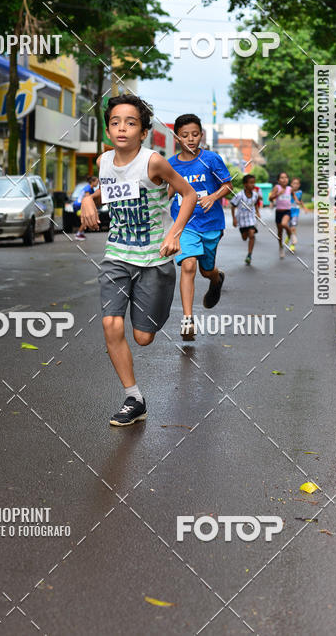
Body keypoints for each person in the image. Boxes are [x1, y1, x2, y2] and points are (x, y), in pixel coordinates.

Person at [80, 94, 197, 427]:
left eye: (131, 123)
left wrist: (174, 233)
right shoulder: (104, 162)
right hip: (117, 254)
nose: (122, 128)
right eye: (115, 122)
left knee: (143, 338)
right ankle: (134, 398)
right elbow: (114, 189)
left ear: (143, 132)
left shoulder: (154, 162)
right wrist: (89, 198)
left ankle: (154, 312)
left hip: (154, 259)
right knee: (110, 323)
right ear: (107, 129)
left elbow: (188, 195)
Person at [167, 113, 232, 341]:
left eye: (195, 134)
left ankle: (216, 279)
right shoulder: (171, 164)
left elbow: (228, 185)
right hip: (184, 225)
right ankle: (187, 320)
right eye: (185, 135)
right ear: (177, 137)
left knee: (206, 270)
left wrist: (214, 197)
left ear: (201, 135)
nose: (191, 139)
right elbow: (168, 192)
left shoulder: (211, 159)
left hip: (211, 224)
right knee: (188, 265)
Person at [231, 173, 262, 265]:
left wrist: (257, 212)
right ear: (245, 184)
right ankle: (245, 234)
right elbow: (233, 206)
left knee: (252, 234)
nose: (253, 185)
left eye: (254, 183)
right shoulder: (239, 195)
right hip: (242, 220)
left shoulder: (255, 195)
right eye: (251, 183)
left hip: (251, 218)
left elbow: (255, 203)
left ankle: (249, 255)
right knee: (245, 238)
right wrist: (234, 219)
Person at [269, 172, 293, 258]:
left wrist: (297, 201)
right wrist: (278, 194)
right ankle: (281, 247)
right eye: (282, 178)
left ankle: (290, 234)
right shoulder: (277, 187)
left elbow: (294, 196)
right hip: (279, 211)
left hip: (287, 211)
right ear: (278, 180)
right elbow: (270, 198)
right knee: (280, 232)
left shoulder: (290, 188)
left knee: (284, 224)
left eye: (286, 177)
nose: (284, 179)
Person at [288, 176, 306, 250]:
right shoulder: (288, 191)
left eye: (297, 184)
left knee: (293, 227)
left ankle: (293, 244)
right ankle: (289, 236)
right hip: (288, 212)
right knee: (289, 228)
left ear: (299, 185)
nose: (295, 185)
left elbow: (300, 200)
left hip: (296, 212)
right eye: (294, 183)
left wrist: (304, 207)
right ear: (291, 184)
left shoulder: (300, 192)